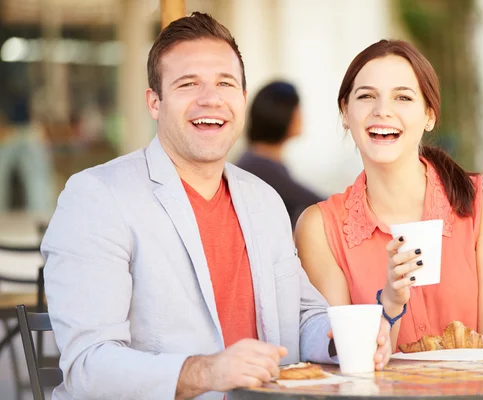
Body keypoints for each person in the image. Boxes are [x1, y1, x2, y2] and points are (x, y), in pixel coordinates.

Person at [41, 13, 391, 400]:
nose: (210, 99)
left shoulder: (263, 200)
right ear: (154, 102)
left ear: (242, 100)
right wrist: (206, 370)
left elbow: (304, 317)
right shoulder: (97, 197)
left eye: (225, 83)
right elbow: (88, 367)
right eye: (188, 84)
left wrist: (342, 338)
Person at [295, 39, 483, 353]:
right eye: (366, 96)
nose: (383, 111)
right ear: (345, 113)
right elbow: (348, 362)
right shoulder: (320, 228)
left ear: (429, 115)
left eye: (403, 97)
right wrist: (389, 305)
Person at [236, 81, 323, 229]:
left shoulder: (261, 161)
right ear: (282, 114)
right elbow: (319, 203)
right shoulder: (259, 165)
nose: (302, 116)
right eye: (297, 110)